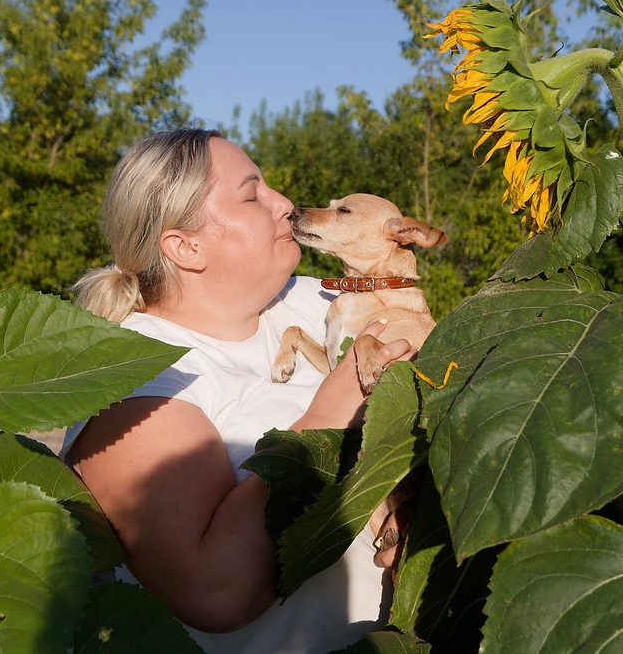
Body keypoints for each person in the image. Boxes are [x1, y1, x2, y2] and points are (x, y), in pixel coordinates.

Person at [64, 128, 414, 653]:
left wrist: (414, 496)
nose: (285, 204)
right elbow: (216, 591)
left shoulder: (316, 300)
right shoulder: (134, 372)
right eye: (253, 195)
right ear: (185, 247)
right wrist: (334, 409)